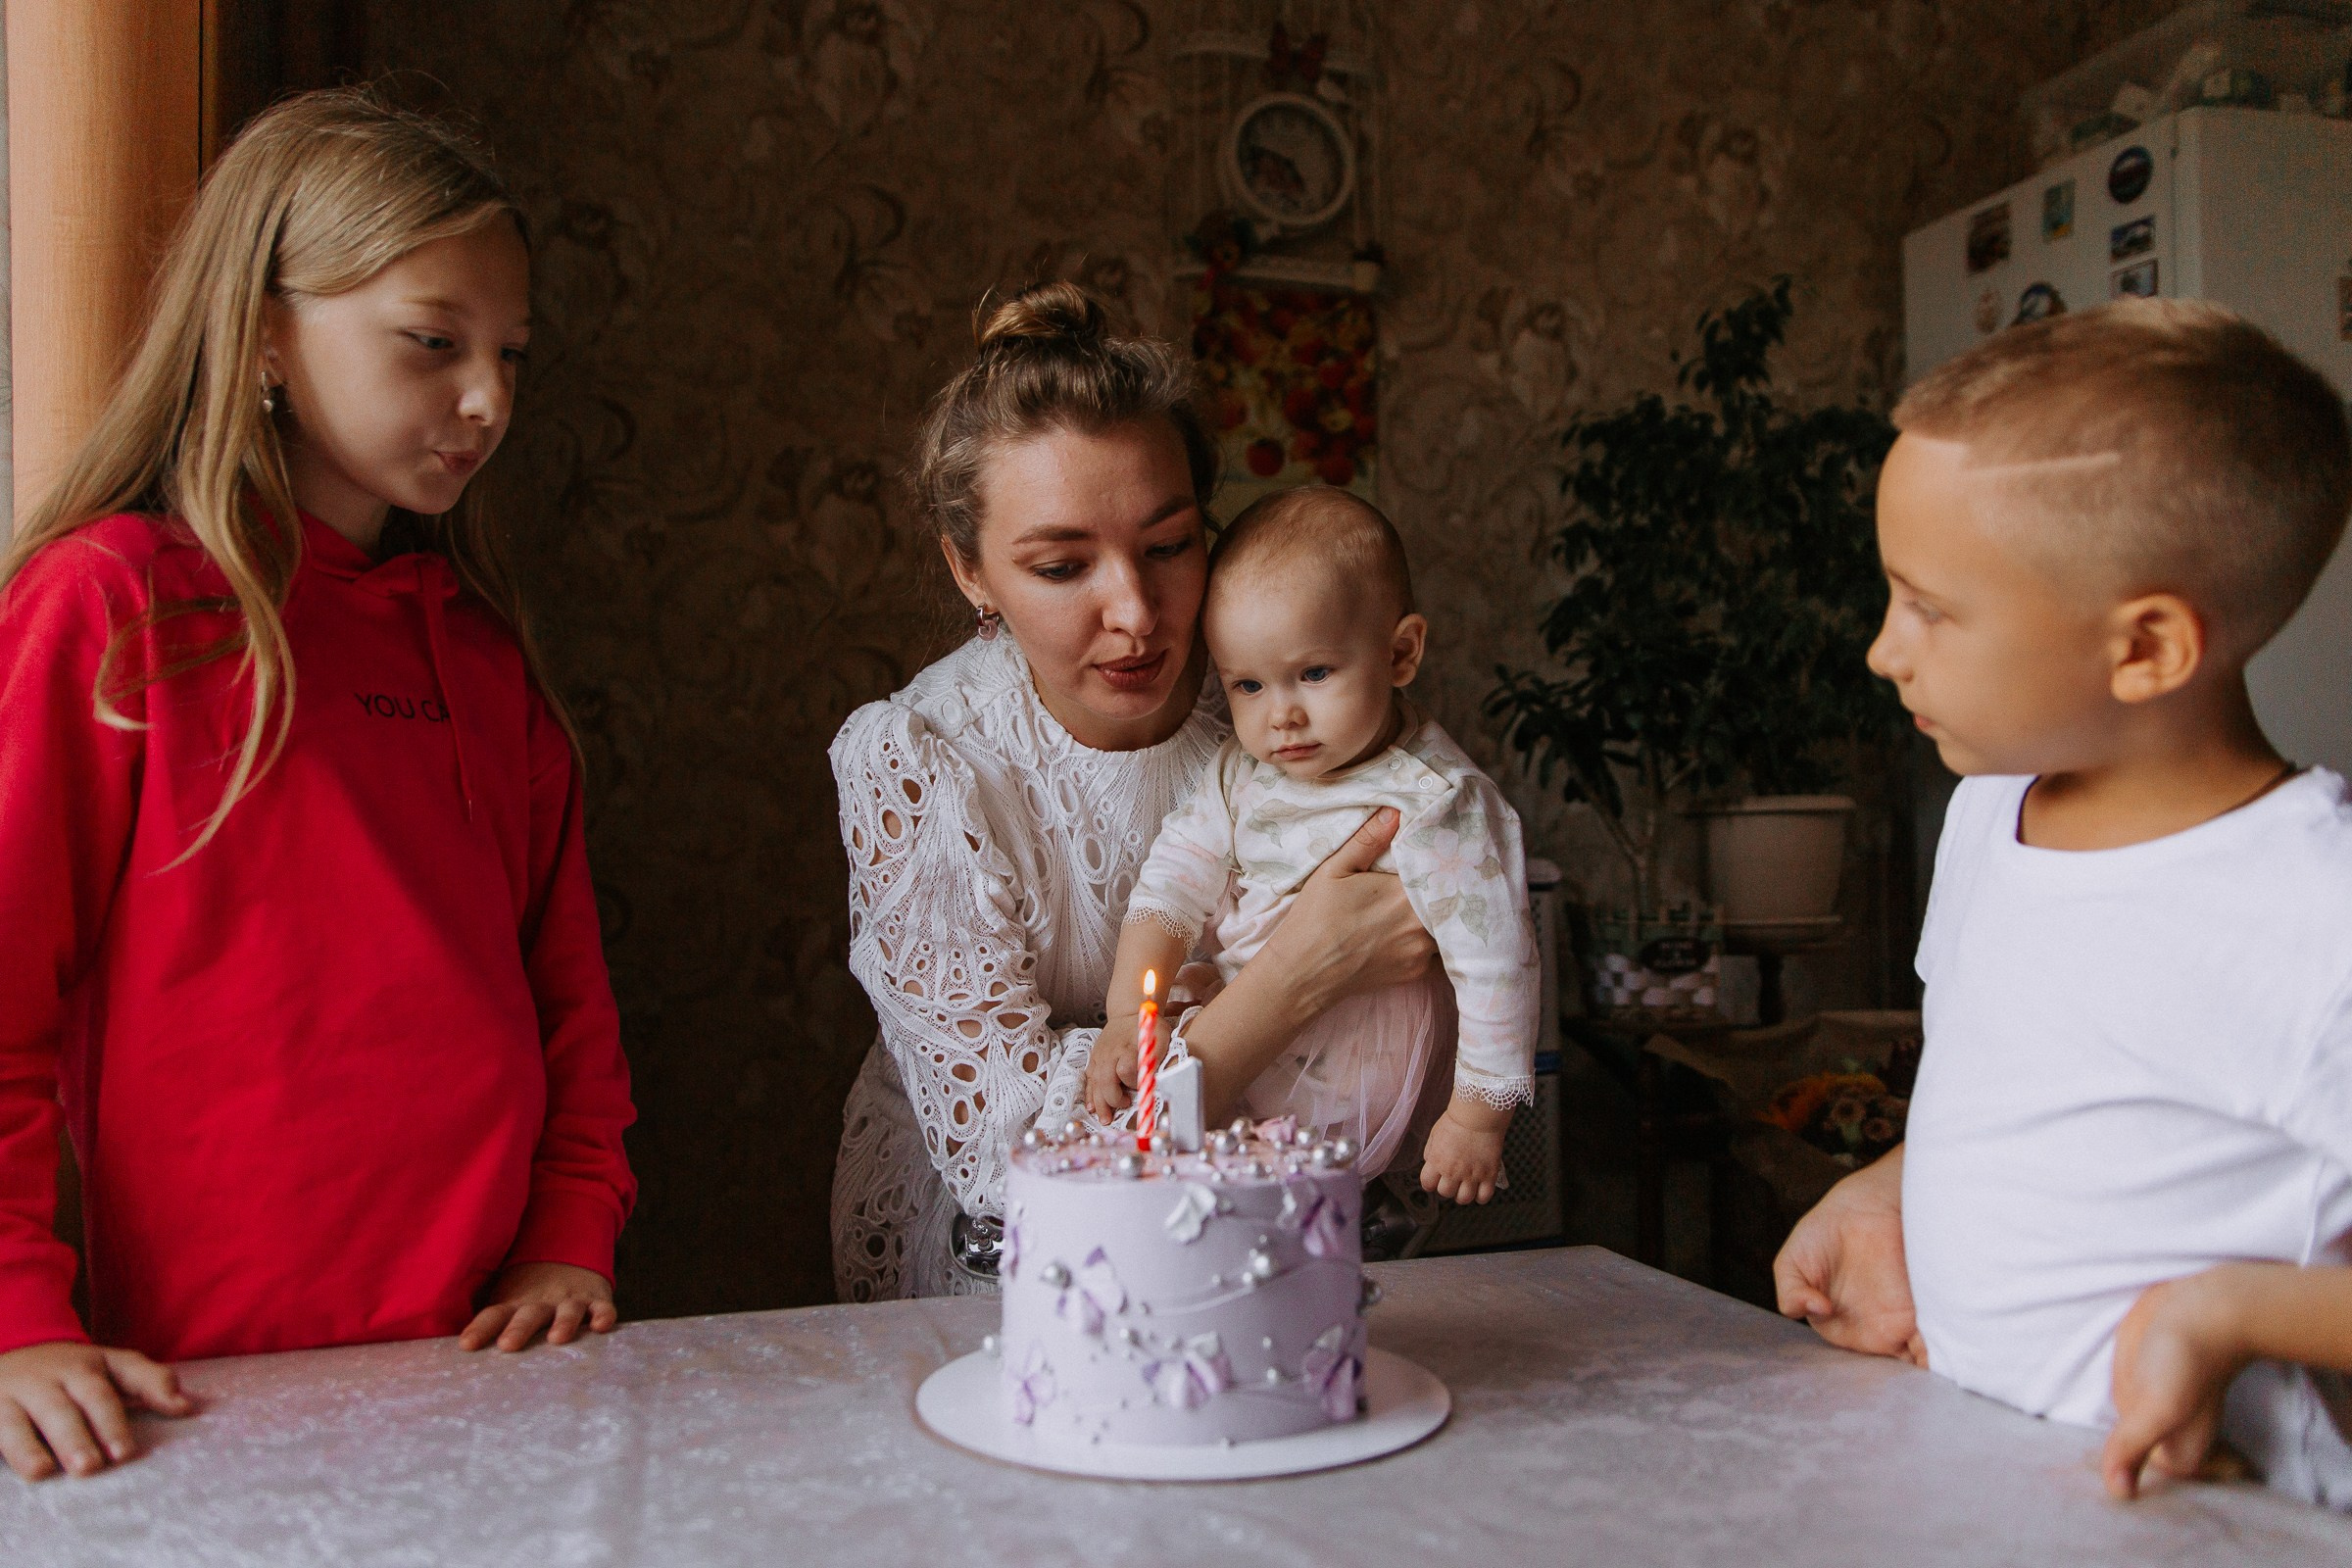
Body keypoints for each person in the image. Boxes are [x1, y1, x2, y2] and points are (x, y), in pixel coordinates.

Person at [0, 89, 638, 1483]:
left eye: (510, 355)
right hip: (182, 1396)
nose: (489, 400)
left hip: (484, 1374)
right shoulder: (111, 611)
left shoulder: (480, 660)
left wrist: (566, 1236)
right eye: (433, 341)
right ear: (269, 330)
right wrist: (13, 1322)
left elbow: (568, 1000)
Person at [1774, 298, 2352, 1508]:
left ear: (2144, 650)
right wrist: (1888, 1193)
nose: (1886, 649)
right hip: (1997, 1487)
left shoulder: (2310, 912)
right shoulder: (1995, 807)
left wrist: (2233, 1311)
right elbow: (2012, 1078)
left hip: (2215, 1520)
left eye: (1930, 607)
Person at [828, 283, 1439, 1301]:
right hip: (995, 1252)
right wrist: (1296, 975)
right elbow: (1003, 1146)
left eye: (1168, 546)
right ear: (970, 570)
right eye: (1063, 565)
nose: (1137, 612)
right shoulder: (917, 757)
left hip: (1251, 1216)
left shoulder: (1280, 701)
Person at [1084, 486, 1539, 1200]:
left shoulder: (1435, 800)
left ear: (1400, 652)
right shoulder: (1240, 773)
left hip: (1360, 1078)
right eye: (1249, 685)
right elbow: (1171, 882)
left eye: (1315, 673)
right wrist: (1124, 1017)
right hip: (1244, 1058)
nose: (1283, 716)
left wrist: (1479, 1119)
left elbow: (1498, 962)